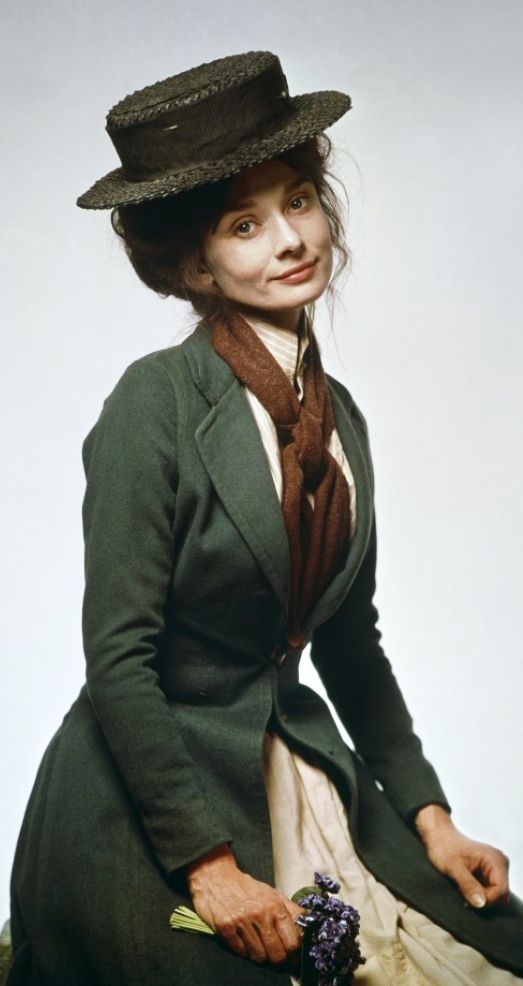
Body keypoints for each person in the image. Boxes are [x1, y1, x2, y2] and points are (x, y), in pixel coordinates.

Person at [6, 50, 523, 986]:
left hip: (299, 771)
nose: (289, 240)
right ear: (191, 263)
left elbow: (350, 644)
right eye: (243, 224)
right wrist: (208, 869)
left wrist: (431, 818)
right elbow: (119, 658)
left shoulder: (342, 416)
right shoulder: (152, 405)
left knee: (487, 949)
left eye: (298, 201)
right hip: (146, 805)